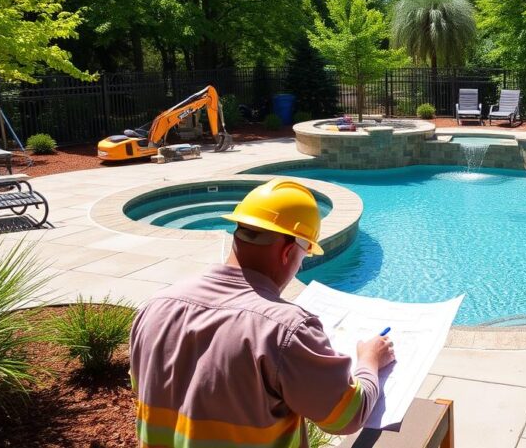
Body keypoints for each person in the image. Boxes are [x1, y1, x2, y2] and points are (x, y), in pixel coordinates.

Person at [130, 178, 395, 447]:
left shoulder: (155, 307)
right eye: (304, 257)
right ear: (288, 252)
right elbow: (346, 417)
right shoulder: (285, 330)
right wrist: (369, 361)